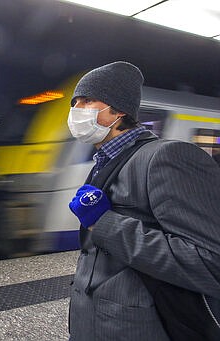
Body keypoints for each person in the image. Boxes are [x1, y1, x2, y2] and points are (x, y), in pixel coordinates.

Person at [66, 61, 220, 340]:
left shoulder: (167, 157)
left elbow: (210, 262)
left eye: (88, 101)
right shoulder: (104, 161)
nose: (76, 111)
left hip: (137, 327)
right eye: (74, 103)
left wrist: (103, 223)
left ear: (119, 108)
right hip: (94, 324)